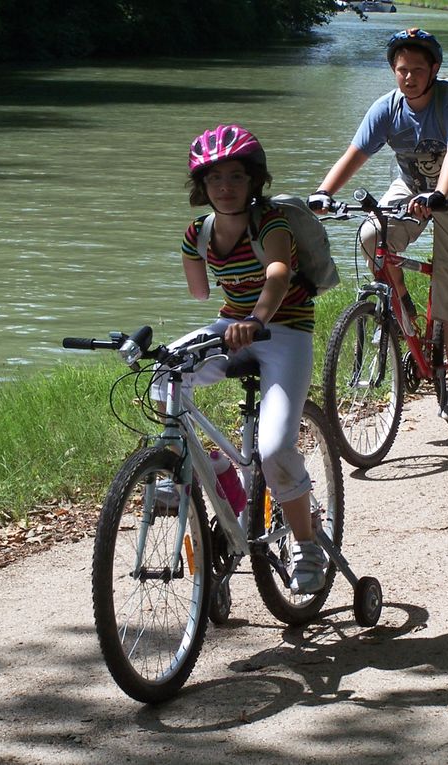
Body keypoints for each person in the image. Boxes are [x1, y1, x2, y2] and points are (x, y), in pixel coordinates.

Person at [155, 124, 324, 595]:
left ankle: (307, 544)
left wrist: (256, 317)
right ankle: (219, 473)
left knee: (273, 449)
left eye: (235, 177)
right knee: (164, 376)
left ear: (254, 182)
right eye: (213, 180)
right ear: (200, 187)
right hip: (232, 327)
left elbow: (277, 272)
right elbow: (199, 292)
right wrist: (233, 315)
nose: (224, 188)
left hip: (284, 331)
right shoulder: (197, 233)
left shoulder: (270, 223)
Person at [308, 27, 448, 421]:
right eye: (402, 69)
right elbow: (356, 153)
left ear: (435, 70)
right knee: (372, 234)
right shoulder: (387, 108)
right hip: (412, 187)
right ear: (393, 70)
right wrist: (323, 193)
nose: (409, 77)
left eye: (418, 70)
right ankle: (401, 306)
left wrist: (439, 195)